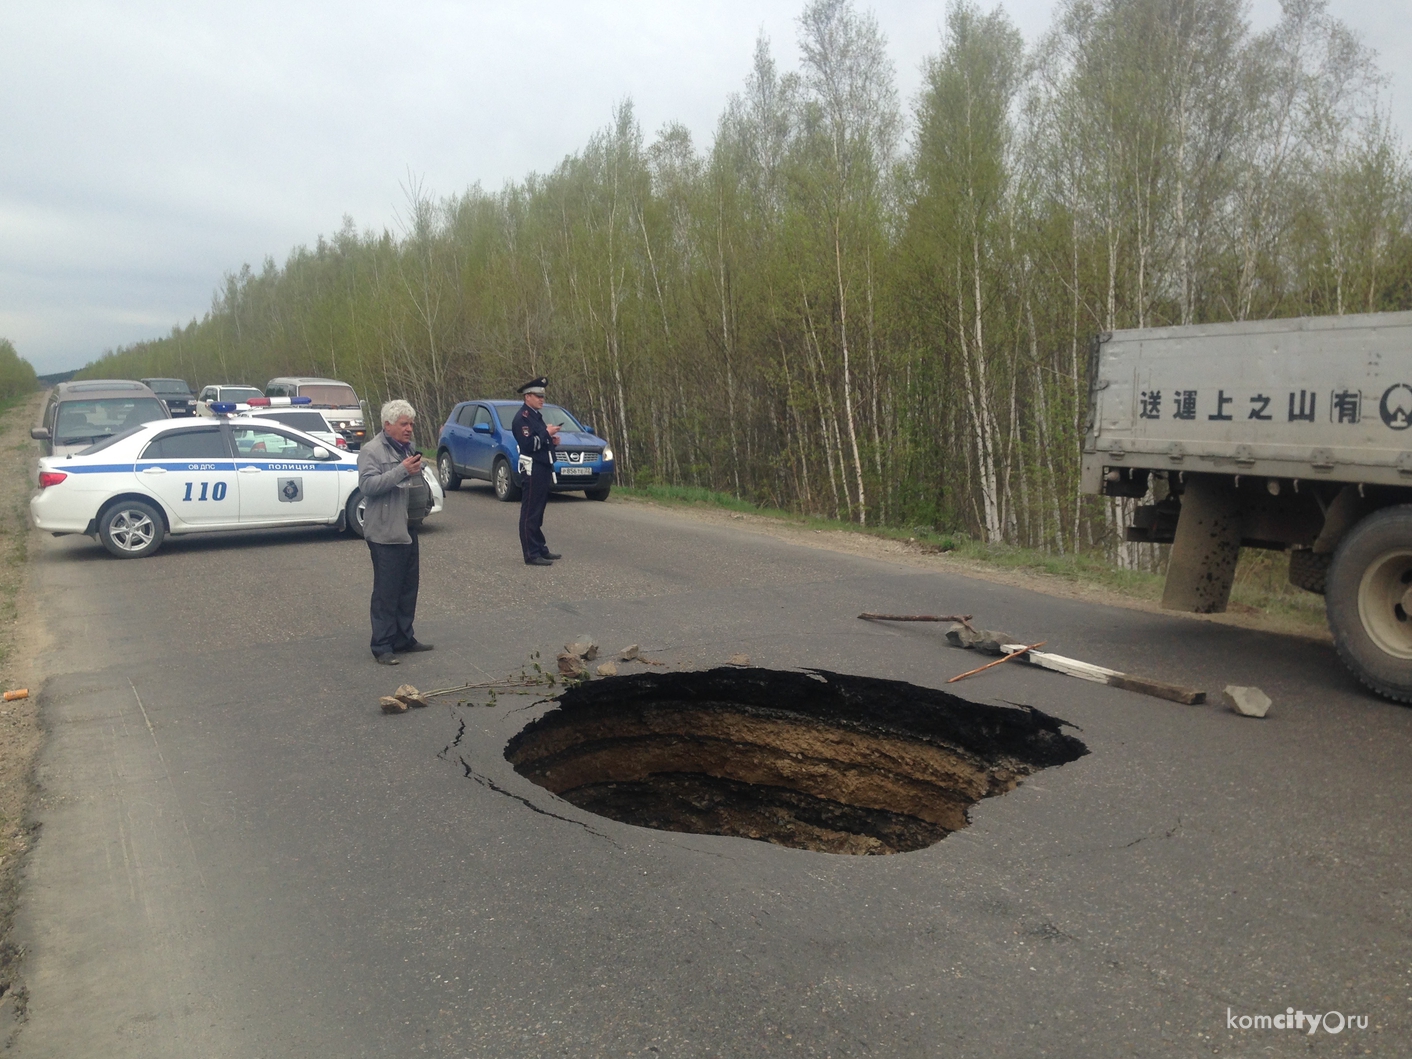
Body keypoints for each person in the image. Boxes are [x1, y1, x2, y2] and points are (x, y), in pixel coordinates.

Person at [358, 400, 434, 664]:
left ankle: (403, 638)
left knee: (407, 587)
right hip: (384, 531)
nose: (409, 429)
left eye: (411, 424)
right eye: (404, 424)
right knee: (386, 592)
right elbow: (367, 486)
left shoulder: (408, 448)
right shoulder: (372, 451)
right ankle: (382, 645)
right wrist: (401, 471)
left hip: (408, 527)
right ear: (387, 425)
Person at [515, 377, 561, 566]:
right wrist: (546, 434)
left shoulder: (535, 416)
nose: (542, 399)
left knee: (539, 511)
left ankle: (540, 547)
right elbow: (528, 444)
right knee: (530, 512)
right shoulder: (522, 418)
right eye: (538, 396)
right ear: (528, 397)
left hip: (542, 467)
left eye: (543, 396)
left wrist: (551, 440)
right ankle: (531, 553)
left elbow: (540, 441)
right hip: (532, 468)